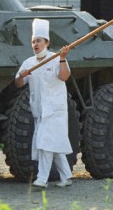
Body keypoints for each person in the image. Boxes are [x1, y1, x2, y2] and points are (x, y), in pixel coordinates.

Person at [14, 18, 73, 189]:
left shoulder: (55, 58)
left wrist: (62, 58)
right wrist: (22, 76)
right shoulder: (29, 63)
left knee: (45, 142)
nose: (35, 44)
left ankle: (42, 178)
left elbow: (64, 77)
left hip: (55, 110)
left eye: (39, 41)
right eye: (33, 41)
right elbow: (18, 83)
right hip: (39, 110)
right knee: (52, 143)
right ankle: (67, 176)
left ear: (47, 43)